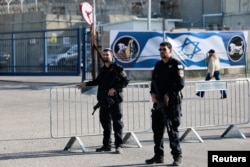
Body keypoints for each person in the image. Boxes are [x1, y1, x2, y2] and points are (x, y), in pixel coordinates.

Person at [76, 48, 129, 154]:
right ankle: (106, 145)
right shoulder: (103, 69)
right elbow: (97, 81)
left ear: (112, 56)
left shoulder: (118, 68)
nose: (105, 56)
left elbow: (125, 81)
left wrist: (115, 89)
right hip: (104, 100)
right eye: (104, 55)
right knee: (105, 124)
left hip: (115, 100)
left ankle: (119, 145)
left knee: (117, 123)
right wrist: (85, 84)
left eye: (107, 55)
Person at [146, 42, 184, 166]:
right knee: (157, 131)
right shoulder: (158, 65)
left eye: (164, 49)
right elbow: (153, 82)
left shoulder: (176, 65)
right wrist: (152, 93)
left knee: (172, 130)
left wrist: (168, 93)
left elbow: (180, 83)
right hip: (159, 103)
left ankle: (177, 156)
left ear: (170, 51)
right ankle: (158, 156)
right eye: (160, 49)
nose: (162, 51)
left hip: (172, 103)